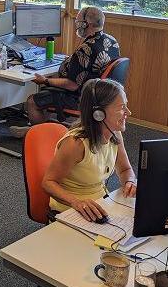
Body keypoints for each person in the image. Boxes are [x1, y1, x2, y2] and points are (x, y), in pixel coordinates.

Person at [10, 6, 120, 138]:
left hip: (80, 97)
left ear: (86, 24)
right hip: (100, 95)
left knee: (33, 101)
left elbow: (72, 85)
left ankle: (38, 136)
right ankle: (43, 128)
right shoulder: (111, 41)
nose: (77, 25)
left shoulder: (86, 49)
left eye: (78, 21)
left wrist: (45, 80)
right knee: (47, 91)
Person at [42, 79, 136, 222]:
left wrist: (130, 182)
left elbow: (125, 169)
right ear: (99, 113)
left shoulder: (114, 134)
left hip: (100, 206)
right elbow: (48, 182)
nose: (128, 112)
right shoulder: (75, 144)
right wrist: (76, 202)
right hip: (70, 210)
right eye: (122, 107)